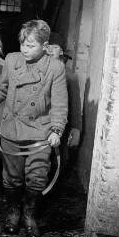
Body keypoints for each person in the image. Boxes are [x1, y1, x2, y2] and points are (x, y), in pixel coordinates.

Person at [0, 20, 68, 237]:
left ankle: (30, 216)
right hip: (12, 129)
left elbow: (60, 104)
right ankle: (13, 212)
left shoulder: (55, 68)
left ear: (45, 45)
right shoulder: (12, 60)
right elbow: (2, 88)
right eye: (23, 44)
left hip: (40, 133)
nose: (25, 49)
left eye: (31, 45)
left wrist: (56, 129)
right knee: (12, 178)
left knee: (37, 177)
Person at [47, 32, 82, 170]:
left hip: (61, 125)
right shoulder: (36, 71)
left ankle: (54, 189)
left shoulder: (70, 76)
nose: (50, 50)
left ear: (61, 51)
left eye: (54, 47)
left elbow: (75, 104)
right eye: (47, 46)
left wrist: (76, 128)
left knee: (59, 160)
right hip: (39, 125)